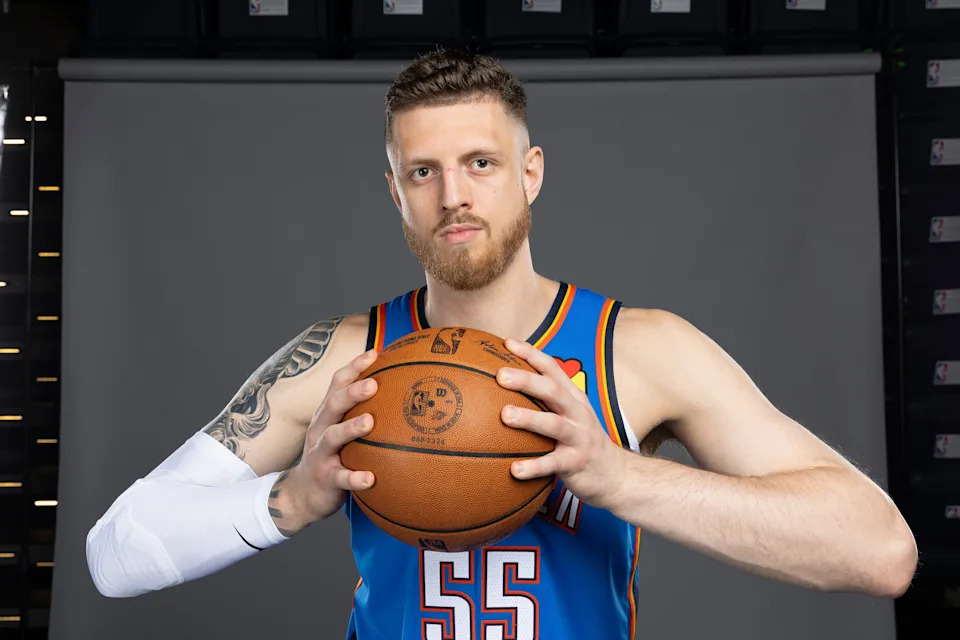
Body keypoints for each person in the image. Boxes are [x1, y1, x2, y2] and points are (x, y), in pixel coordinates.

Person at [86, 49, 918, 639]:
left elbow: (878, 550)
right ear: (395, 192)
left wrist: (618, 475)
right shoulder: (343, 357)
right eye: (423, 172)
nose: (454, 196)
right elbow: (115, 555)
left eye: (481, 162)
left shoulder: (639, 350)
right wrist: (294, 498)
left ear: (532, 172)